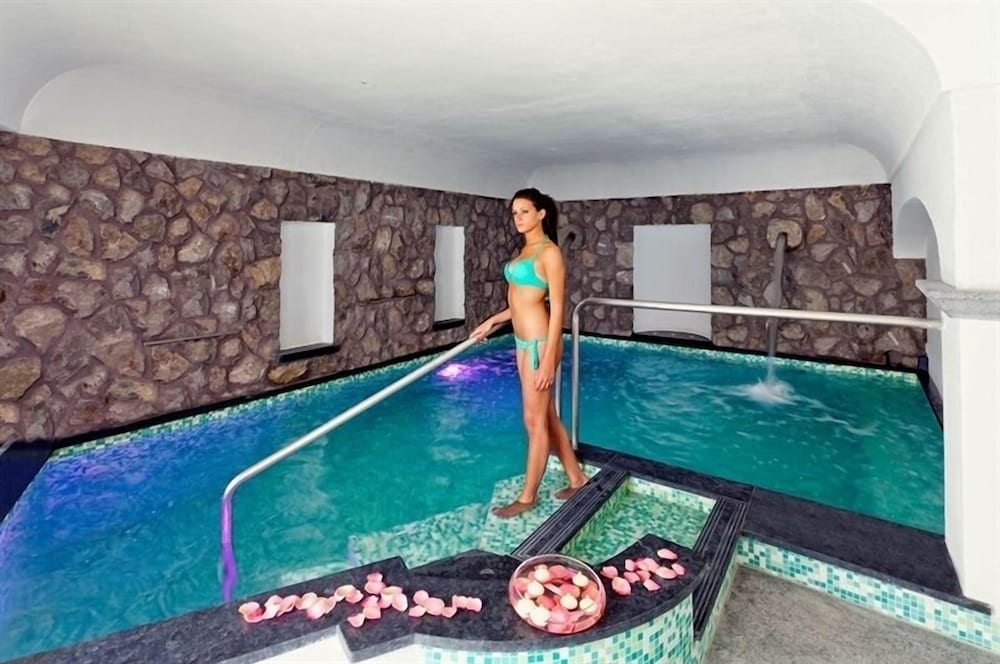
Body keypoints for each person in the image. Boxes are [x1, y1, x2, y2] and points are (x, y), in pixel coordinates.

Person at [471, 188, 588, 518]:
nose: (518, 218)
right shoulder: (525, 251)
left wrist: (549, 359)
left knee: (533, 420)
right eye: (515, 213)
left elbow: (558, 307)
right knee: (546, 414)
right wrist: (492, 321)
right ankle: (577, 478)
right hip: (522, 343)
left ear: (541, 214)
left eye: (524, 211)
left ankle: (527, 497)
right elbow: (520, 302)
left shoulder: (550, 253)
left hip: (540, 343)